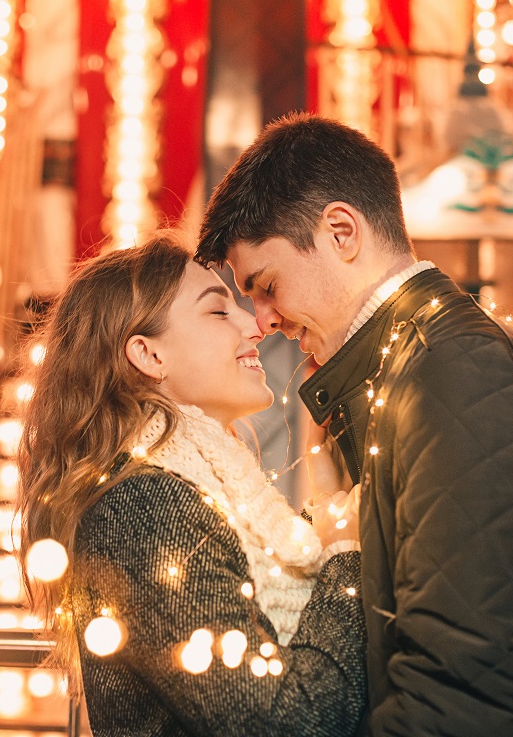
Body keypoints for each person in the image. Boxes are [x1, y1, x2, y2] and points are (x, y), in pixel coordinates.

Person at [196, 112, 513, 736]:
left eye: (267, 286)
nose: (264, 322)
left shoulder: (462, 380)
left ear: (342, 232)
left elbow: (459, 700)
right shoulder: (420, 375)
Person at [19, 232, 368, 737]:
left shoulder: (203, 485)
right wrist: (343, 563)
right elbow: (281, 723)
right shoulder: (143, 506)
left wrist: (326, 501)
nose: (254, 326)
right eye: (218, 312)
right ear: (148, 355)